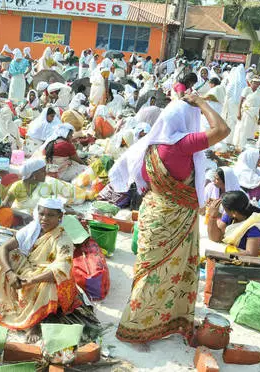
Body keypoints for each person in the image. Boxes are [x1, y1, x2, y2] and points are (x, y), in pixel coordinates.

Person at [107, 96, 229, 346]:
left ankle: (153, 322)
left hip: (153, 213)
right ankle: (136, 326)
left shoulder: (150, 144)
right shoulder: (182, 144)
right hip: (175, 215)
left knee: (148, 271)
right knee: (168, 270)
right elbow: (222, 130)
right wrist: (202, 104)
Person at [0, 198, 79, 342]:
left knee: (48, 284)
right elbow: (3, 248)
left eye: (50, 215)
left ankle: (34, 323)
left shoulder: (63, 239)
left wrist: (30, 280)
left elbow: (62, 269)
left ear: (60, 217)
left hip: (44, 274)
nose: (44, 219)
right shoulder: (33, 228)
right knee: (6, 259)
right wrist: (10, 273)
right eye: (42, 214)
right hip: (28, 267)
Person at [207, 191, 260, 261]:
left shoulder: (254, 226)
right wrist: (212, 216)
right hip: (236, 253)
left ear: (234, 213)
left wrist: (222, 255)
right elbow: (215, 238)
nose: (225, 212)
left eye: (225, 210)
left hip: (256, 259)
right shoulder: (231, 216)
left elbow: (251, 254)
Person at [234, 77, 260, 149]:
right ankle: (240, 145)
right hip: (246, 112)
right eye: (255, 83)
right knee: (243, 128)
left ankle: (248, 146)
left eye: (258, 83)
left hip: (254, 115)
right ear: (251, 82)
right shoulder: (246, 89)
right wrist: (239, 113)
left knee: (251, 130)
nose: (256, 84)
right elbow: (240, 101)